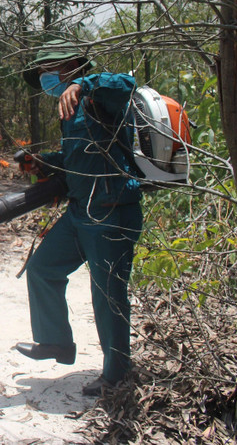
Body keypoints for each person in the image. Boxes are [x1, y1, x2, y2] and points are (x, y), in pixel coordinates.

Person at [14, 40, 143, 397]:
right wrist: (44, 162)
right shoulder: (71, 112)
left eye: (47, 71)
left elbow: (127, 85)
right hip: (81, 212)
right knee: (42, 268)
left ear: (71, 64)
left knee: (107, 294)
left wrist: (83, 84)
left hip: (112, 213)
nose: (44, 79)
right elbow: (78, 159)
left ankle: (116, 375)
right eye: (40, 74)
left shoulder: (98, 95)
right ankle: (55, 342)